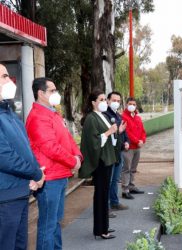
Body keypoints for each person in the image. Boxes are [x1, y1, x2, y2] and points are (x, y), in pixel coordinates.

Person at [25, 77, 83, 250]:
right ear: (41, 93)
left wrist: (78, 156)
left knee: (55, 222)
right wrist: (72, 160)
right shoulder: (37, 117)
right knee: (47, 226)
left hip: (60, 174)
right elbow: (50, 147)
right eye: (52, 91)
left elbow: (67, 139)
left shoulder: (53, 113)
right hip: (49, 177)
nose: (56, 94)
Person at [0, 63, 45, 250]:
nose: (9, 80)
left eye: (8, 76)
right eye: (3, 77)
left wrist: (37, 175)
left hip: (19, 192)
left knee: (20, 245)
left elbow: (26, 148)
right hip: (5, 198)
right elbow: (5, 157)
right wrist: (35, 173)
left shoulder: (9, 113)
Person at [79, 89, 120, 240]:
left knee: (104, 194)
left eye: (104, 99)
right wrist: (109, 132)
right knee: (101, 195)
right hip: (101, 162)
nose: (104, 102)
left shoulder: (101, 116)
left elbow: (109, 137)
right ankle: (100, 230)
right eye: (101, 99)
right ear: (93, 103)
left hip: (107, 160)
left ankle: (104, 226)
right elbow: (93, 141)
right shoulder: (91, 118)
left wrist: (116, 132)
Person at [103, 91, 129, 211]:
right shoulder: (105, 114)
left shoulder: (118, 115)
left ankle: (114, 202)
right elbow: (112, 131)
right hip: (110, 152)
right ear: (108, 101)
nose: (116, 103)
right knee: (108, 180)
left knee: (115, 179)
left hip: (119, 151)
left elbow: (124, 130)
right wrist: (120, 130)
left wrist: (126, 141)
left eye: (118, 101)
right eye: (114, 100)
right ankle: (106, 207)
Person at [121, 97, 147, 199]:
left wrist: (142, 140)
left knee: (133, 168)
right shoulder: (123, 117)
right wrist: (137, 141)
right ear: (126, 105)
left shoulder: (138, 118)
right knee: (126, 169)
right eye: (130, 104)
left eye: (134, 104)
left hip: (137, 147)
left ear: (136, 106)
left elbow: (143, 131)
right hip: (129, 147)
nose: (132, 106)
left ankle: (132, 186)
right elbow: (127, 133)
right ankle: (125, 190)